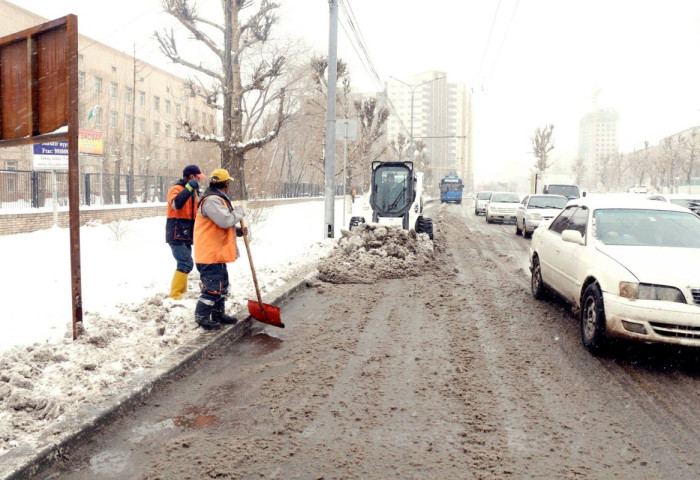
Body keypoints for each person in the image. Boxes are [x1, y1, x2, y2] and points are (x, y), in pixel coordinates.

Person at [193, 168, 247, 330]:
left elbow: (219, 225)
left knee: (222, 286)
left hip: (216, 253)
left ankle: (218, 314)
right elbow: (225, 220)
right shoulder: (212, 201)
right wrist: (239, 212)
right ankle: (202, 317)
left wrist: (237, 231)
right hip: (209, 254)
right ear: (226, 184)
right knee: (213, 288)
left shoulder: (216, 199)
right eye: (229, 182)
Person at [166, 164, 206, 300]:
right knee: (186, 263)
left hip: (186, 233)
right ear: (191, 177)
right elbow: (176, 204)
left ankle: (182, 292)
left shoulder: (194, 192)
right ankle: (175, 294)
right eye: (198, 178)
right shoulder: (176, 189)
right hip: (176, 232)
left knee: (184, 263)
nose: (199, 180)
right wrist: (189, 188)